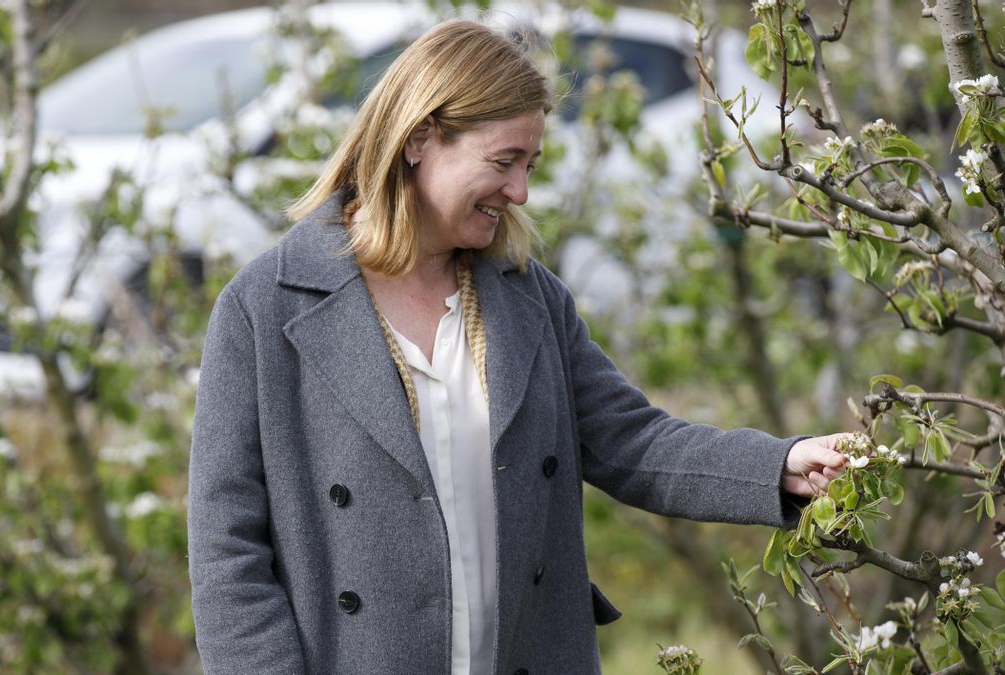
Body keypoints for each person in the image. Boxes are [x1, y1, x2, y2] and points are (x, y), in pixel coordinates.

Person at [187, 17, 847, 675]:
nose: (521, 191)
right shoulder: (264, 310)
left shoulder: (530, 298)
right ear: (419, 138)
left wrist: (779, 464)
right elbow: (227, 553)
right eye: (503, 162)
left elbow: (635, 440)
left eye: (529, 164)